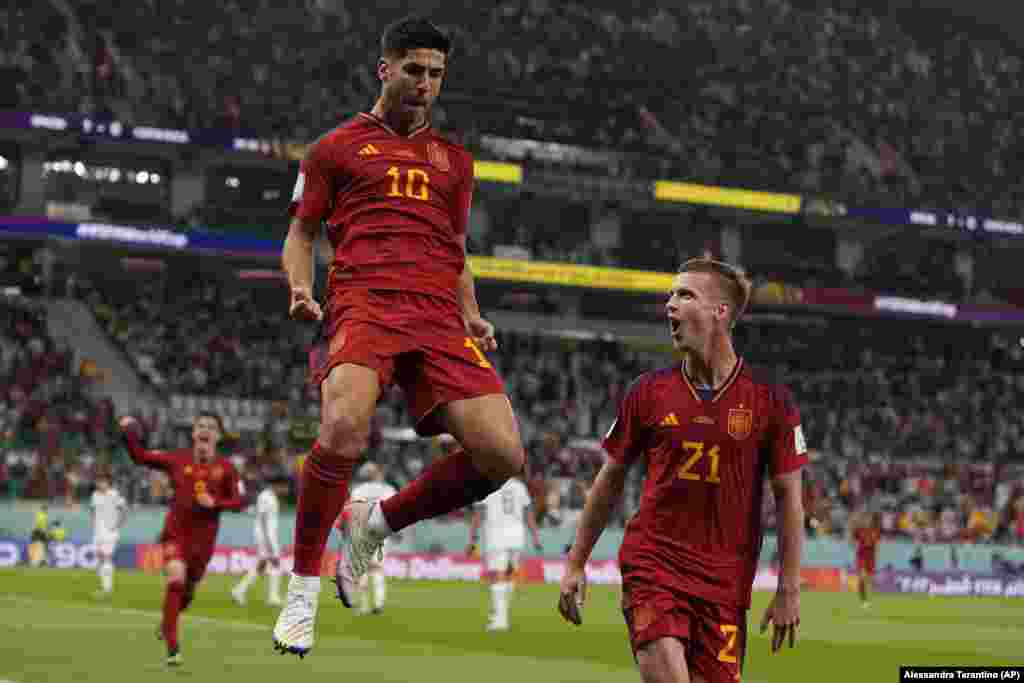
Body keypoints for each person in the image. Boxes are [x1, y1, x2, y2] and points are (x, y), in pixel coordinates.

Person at [273, 14, 525, 658]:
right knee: (342, 429)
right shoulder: (334, 149)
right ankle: (300, 594)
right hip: (364, 302)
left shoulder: (454, 162)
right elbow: (301, 233)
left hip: (438, 313)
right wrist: (302, 288)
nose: (426, 83)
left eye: (437, 73)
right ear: (385, 69)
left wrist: (471, 311)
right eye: (414, 69)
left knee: (502, 456)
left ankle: (375, 522)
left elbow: (456, 249)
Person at [557, 257, 807, 683]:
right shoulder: (648, 392)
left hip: (726, 587)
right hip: (655, 567)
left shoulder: (771, 401)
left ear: (720, 312)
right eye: (670, 295)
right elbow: (610, 480)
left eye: (685, 295)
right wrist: (575, 562)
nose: (670, 305)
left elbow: (789, 499)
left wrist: (788, 587)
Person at [120, 413, 246, 667]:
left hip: (204, 543)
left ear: (217, 437)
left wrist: (216, 503)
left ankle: (167, 622)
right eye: (201, 426)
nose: (205, 430)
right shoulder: (176, 459)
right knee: (176, 577)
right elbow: (140, 457)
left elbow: (240, 502)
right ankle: (172, 646)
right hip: (175, 534)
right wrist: (129, 435)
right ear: (193, 433)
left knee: (188, 592)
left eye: (211, 427)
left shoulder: (228, 469)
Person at [467, 465, 542, 631]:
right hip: (517, 536)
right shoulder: (519, 486)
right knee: (509, 575)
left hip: (496, 536)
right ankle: (500, 613)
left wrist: (472, 538)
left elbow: (479, 513)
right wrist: (536, 536)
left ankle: (501, 619)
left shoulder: (486, 486)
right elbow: (528, 513)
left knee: (497, 576)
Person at [335, 462, 398, 615]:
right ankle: (378, 603)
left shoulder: (358, 490)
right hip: (381, 530)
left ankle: (362, 604)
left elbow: (352, 511)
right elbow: (395, 509)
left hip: (361, 530)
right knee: (377, 568)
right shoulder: (389, 489)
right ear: (379, 474)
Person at [232, 471, 290, 607]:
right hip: (265, 536)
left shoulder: (271, 497)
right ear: (277, 485)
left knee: (261, 565)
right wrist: (269, 542)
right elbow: (263, 520)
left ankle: (239, 590)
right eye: (284, 487)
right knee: (275, 563)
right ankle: (273, 597)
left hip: (266, 535)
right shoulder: (266, 497)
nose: (286, 490)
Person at [90, 470, 127, 597]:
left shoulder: (114, 494)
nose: (100, 484)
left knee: (106, 557)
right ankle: (105, 584)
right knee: (99, 557)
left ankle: (107, 589)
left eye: (103, 482)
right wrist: (94, 524)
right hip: (98, 531)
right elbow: (93, 511)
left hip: (110, 532)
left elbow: (124, 510)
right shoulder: (95, 495)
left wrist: (117, 525)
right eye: (99, 482)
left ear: (108, 483)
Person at [851, 511, 881, 609]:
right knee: (862, 577)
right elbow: (852, 539)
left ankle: (867, 598)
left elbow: (877, 543)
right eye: (865, 519)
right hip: (861, 557)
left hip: (871, 558)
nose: (867, 521)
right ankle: (863, 601)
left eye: (869, 519)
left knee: (870, 579)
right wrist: (855, 545)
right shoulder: (859, 530)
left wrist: (876, 553)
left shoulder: (875, 530)